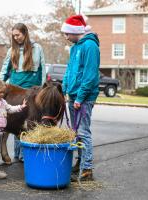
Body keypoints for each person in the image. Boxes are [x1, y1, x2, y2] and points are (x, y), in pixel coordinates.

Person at [60, 15, 100, 181]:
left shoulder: (90, 46)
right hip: (73, 95)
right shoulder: (75, 47)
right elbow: (70, 69)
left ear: (75, 32)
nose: (66, 37)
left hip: (84, 97)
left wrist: (80, 98)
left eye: (67, 33)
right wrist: (65, 88)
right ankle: (80, 162)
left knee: (83, 131)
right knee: (76, 132)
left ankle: (87, 168)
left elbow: (90, 75)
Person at [0, 23, 46, 162]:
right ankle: (18, 155)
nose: (16, 38)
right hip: (16, 90)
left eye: (18, 35)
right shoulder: (11, 51)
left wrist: (43, 88)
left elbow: (42, 69)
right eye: (13, 36)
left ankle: (27, 153)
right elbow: (4, 71)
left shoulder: (37, 48)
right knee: (16, 119)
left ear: (25, 33)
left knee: (31, 121)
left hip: (32, 90)